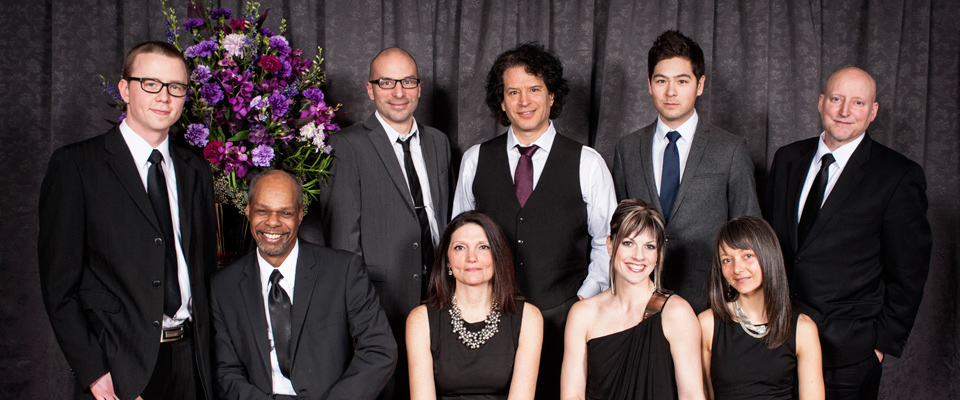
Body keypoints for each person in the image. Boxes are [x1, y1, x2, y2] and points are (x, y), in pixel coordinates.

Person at [38, 41, 217, 400]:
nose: (164, 97)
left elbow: (204, 269)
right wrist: (95, 373)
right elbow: (59, 286)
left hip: (191, 363)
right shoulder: (76, 166)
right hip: (119, 368)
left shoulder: (195, 170)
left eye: (176, 87)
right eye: (151, 83)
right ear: (125, 89)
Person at [452, 42, 617, 399]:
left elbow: (608, 243)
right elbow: (458, 241)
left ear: (552, 96)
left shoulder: (588, 163)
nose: (524, 101)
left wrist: (580, 300)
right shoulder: (475, 160)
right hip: (491, 319)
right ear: (502, 101)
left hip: (564, 317)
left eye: (534, 90)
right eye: (513, 92)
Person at [763, 67, 932, 399]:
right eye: (837, 99)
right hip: (780, 343)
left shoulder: (898, 176)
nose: (844, 111)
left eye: (857, 102)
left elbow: (908, 271)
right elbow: (772, 244)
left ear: (872, 112)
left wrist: (879, 345)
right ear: (821, 102)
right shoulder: (787, 159)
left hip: (849, 353)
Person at [309, 47, 451, 399]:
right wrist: (357, 312)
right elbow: (343, 239)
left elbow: (441, 218)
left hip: (439, 292)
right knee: (388, 388)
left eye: (407, 81)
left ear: (419, 88)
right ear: (370, 89)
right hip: (379, 299)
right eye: (386, 82)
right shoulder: (346, 146)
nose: (398, 92)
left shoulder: (438, 142)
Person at [210, 169, 397, 400]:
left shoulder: (343, 271)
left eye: (285, 212)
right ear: (247, 210)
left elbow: (379, 349)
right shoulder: (223, 286)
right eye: (262, 211)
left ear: (300, 214)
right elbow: (226, 371)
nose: (272, 222)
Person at [611, 30, 761, 313]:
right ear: (649, 85)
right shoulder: (627, 149)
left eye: (682, 81)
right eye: (661, 81)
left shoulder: (730, 149)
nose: (670, 92)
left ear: (700, 85)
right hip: (639, 304)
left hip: (711, 302)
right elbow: (620, 229)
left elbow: (749, 233)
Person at [561, 199, 703, 400]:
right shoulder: (583, 314)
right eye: (628, 243)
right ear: (610, 245)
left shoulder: (677, 313)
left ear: (659, 253)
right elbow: (572, 395)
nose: (639, 256)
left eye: (649, 246)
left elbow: (692, 396)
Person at [406, 211, 543, 399]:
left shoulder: (529, 318)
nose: (472, 257)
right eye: (460, 247)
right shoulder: (420, 320)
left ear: (497, 256)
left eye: (483, 247)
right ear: (447, 261)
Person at [699, 216, 824, 400]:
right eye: (727, 260)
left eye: (747, 256)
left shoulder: (803, 328)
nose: (737, 269)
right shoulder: (707, 324)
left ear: (768, 256)